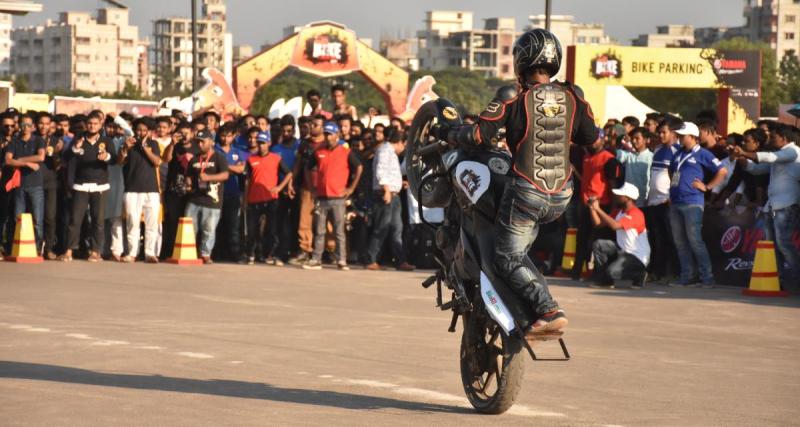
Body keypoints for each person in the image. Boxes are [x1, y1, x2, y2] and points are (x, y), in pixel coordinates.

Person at [432, 29, 598, 334]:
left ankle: (548, 309)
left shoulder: (514, 97)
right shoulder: (574, 96)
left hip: (527, 190)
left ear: (521, 60)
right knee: (516, 247)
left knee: (506, 257)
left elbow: (478, 135)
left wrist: (445, 132)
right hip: (561, 196)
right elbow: (592, 138)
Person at [731, 124, 800, 290]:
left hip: (787, 205)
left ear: (784, 138)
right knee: (770, 245)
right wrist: (739, 156)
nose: (770, 139)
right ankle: (778, 281)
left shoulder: (794, 151)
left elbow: (769, 158)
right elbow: (755, 169)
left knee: (783, 243)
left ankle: (797, 279)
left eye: (774, 136)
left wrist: (744, 153)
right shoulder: (780, 155)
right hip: (773, 206)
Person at [668, 122, 727, 288]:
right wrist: (674, 186)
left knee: (695, 240)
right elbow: (672, 170)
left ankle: (707, 278)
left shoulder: (704, 154)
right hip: (676, 202)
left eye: (682, 135)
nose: (679, 137)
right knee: (680, 242)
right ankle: (687, 276)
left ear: (693, 136)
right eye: (679, 135)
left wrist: (707, 187)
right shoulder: (678, 153)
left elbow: (722, 171)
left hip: (693, 202)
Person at [302, 121, 362, 270]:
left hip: (338, 198)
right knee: (320, 230)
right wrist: (312, 188)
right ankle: (316, 259)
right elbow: (307, 168)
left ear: (337, 135)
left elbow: (359, 167)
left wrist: (351, 188)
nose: (328, 137)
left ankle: (342, 260)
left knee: (339, 231)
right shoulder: (318, 151)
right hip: (322, 197)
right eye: (326, 134)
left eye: (331, 134)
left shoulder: (345, 151)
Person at [59, 113, 117, 262]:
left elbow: (114, 160)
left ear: (100, 125)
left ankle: (95, 251)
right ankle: (69, 250)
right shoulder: (78, 139)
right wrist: (76, 149)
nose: (92, 126)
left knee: (98, 221)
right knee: (75, 220)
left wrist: (107, 157)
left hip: (100, 186)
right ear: (86, 124)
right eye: (90, 123)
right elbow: (66, 158)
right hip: (81, 185)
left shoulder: (106, 141)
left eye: (95, 123)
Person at [365, 127, 415, 271]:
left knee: (396, 229)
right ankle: (371, 259)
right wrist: (386, 189)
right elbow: (381, 170)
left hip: (394, 194)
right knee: (381, 228)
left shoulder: (390, 152)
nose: (404, 148)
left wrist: (399, 184)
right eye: (404, 144)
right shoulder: (384, 151)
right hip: (385, 194)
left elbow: (391, 172)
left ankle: (400, 260)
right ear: (400, 142)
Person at [573, 129, 621, 280]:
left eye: (595, 139)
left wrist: (613, 208)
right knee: (581, 238)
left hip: (602, 206)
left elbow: (612, 185)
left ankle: (600, 272)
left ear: (602, 139)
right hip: (586, 204)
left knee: (598, 239)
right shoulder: (587, 156)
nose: (592, 142)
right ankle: (578, 270)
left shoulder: (609, 159)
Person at [242, 131, 293, 265]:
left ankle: (270, 254)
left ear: (269, 143)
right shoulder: (250, 159)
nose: (261, 146)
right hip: (254, 199)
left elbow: (289, 174)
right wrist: (245, 200)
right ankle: (251, 254)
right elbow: (247, 180)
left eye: (263, 143)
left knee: (272, 229)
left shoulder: (276, 158)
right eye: (259, 143)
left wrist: (279, 188)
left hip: (271, 199)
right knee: (252, 230)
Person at [588, 183, 650, 289]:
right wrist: (592, 208)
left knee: (612, 272)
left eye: (619, 195)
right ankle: (606, 280)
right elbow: (598, 224)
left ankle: (639, 275)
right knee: (599, 244)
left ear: (628, 198)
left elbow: (615, 226)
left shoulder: (636, 213)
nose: (616, 197)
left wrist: (598, 209)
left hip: (636, 257)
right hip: (622, 251)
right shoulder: (618, 212)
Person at [118, 117, 162, 263]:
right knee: (132, 222)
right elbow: (119, 161)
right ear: (134, 130)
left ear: (149, 132)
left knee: (152, 224)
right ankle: (132, 253)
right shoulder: (128, 144)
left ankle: (150, 253)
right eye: (139, 130)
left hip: (151, 190)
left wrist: (145, 149)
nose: (141, 133)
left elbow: (156, 162)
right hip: (132, 189)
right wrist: (125, 148)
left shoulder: (153, 144)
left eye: (144, 130)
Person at [644, 117, 681, 283]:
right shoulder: (658, 149)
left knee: (669, 240)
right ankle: (655, 272)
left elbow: (677, 176)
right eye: (659, 132)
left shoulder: (677, 151)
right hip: (652, 203)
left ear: (673, 133)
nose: (660, 135)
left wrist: (671, 196)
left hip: (666, 203)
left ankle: (672, 273)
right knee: (655, 240)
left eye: (664, 132)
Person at [184, 130, 229, 264]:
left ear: (211, 141)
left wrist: (209, 177)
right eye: (198, 141)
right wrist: (188, 182)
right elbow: (188, 174)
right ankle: (189, 252)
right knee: (190, 228)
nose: (200, 143)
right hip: (194, 199)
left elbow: (225, 175)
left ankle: (206, 254)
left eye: (202, 141)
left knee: (209, 229)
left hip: (212, 200)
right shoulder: (194, 158)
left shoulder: (219, 157)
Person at [5, 114, 45, 252]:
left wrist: (20, 159)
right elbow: (8, 160)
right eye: (23, 125)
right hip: (19, 185)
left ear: (33, 127)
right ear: (19, 126)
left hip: (36, 185)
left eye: (28, 125)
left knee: (38, 219)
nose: (25, 128)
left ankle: (38, 247)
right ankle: (16, 247)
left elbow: (40, 156)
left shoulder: (38, 140)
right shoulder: (14, 141)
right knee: (17, 218)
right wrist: (27, 163)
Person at [288, 115, 325, 265]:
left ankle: (329, 251)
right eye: (311, 125)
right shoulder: (304, 144)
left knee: (326, 222)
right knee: (305, 221)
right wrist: (291, 181)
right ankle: (304, 249)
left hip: (325, 189)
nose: (312, 127)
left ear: (323, 127)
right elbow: (297, 164)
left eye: (316, 125)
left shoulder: (328, 143)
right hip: (306, 187)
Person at [160, 123, 195, 259]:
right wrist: (172, 144)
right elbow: (166, 159)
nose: (184, 136)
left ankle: (189, 251)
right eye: (181, 133)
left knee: (189, 222)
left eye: (187, 133)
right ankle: (170, 252)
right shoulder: (174, 147)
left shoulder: (198, 147)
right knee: (173, 223)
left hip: (192, 192)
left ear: (192, 133)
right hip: (174, 190)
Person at [214, 123, 248, 262]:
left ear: (234, 136)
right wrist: (232, 168)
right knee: (216, 225)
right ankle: (216, 253)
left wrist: (224, 167)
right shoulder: (213, 150)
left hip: (233, 193)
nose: (225, 139)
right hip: (215, 193)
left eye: (229, 136)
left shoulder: (237, 151)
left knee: (233, 225)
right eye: (223, 135)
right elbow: (212, 168)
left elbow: (241, 170)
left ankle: (235, 254)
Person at [36, 113, 63, 259]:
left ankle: (49, 249)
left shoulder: (55, 141)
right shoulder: (32, 138)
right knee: (35, 216)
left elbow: (58, 166)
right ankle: (35, 246)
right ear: (36, 124)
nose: (44, 126)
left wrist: (57, 154)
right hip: (34, 182)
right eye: (41, 123)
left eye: (47, 124)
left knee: (50, 217)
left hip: (51, 183)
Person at [615, 127, 653, 208]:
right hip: (628, 201)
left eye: (637, 138)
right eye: (632, 138)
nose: (634, 141)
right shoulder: (628, 155)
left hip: (644, 202)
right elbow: (613, 153)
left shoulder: (652, 157)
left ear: (646, 140)